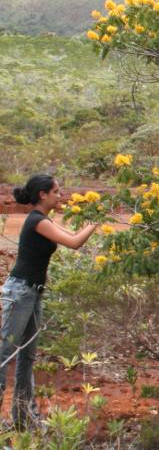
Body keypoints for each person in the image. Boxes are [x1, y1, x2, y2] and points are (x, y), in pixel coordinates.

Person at [2, 175, 97, 428]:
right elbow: (75, 242)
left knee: (27, 358)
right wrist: (96, 221)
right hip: (20, 292)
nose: (60, 195)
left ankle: (25, 419)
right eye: (56, 191)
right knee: (4, 355)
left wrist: (88, 216)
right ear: (43, 194)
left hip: (32, 293)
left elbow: (72, 234)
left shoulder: (44, 220)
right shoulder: (37, 221)